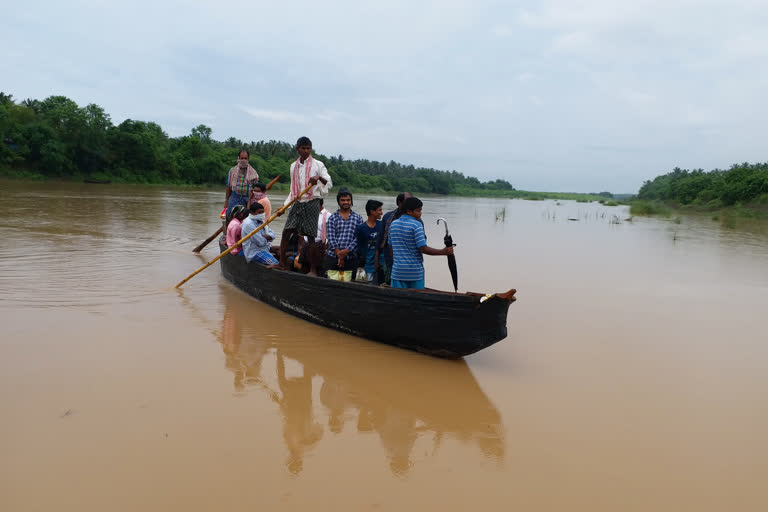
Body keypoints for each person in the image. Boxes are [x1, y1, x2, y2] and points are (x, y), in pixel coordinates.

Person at [274, 137, 332, 275]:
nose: (306, 151)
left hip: (312, 202)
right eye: (303, 148)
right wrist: (284, 207)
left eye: (308, 148)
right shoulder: (293, 166)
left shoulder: (318, 165)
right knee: (286, 232)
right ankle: (281, 263)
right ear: (297, 149)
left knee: (310, 236)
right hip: (298, 201)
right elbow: (293, 190)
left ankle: (312, 270)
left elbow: (329, 183)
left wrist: (318, 178)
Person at [388, 197, 453, 290]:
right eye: (418, 211)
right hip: (414, 272)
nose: (421, 213)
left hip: (397, 272)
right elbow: (423, 248)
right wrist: (443, 252)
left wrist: (396, 263)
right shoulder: (416, 225)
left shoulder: (393, 224)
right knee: (415, 301)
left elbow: (391, 247)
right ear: (409, 211)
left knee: (399, 300)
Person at [324, 188, 364, 278]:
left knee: (349, 286)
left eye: (348, 200)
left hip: (351, 258)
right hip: (333, 258)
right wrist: (339, 254)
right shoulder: (332, 218)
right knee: (330, 285)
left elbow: (358, 238)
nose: (345, 202)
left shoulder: (358, 218)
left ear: (351, 201)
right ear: (338, 201)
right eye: (343, 200)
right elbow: (330, 237)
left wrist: (346, 252)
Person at [380, 192, 412, 285]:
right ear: (399, 203)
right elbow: (381, 239)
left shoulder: (416, 219)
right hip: (390, 260)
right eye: (407, 202)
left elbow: (422, 242)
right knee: (390, 284)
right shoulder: (387, 217)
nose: (410, 205)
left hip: (409, 263)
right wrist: (377, 260)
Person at [355, 199, 384, 283]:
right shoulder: (361, 228)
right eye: (379, 210)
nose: (381, 213)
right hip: (366, 266)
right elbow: (359, 249)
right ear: (372, 211)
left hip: (381, 265)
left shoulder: (382, 225)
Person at [224, 150, 259, 216]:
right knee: (229, 215)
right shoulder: (232, 171)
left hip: (247, 198)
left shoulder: (253, 172)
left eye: (245, 158)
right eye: (242, 158)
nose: (243, 160)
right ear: (238, 158)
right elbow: (228, 187)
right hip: (235, 197)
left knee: (246, 217)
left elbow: (256, 188)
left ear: (248, 159)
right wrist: (226, 201)